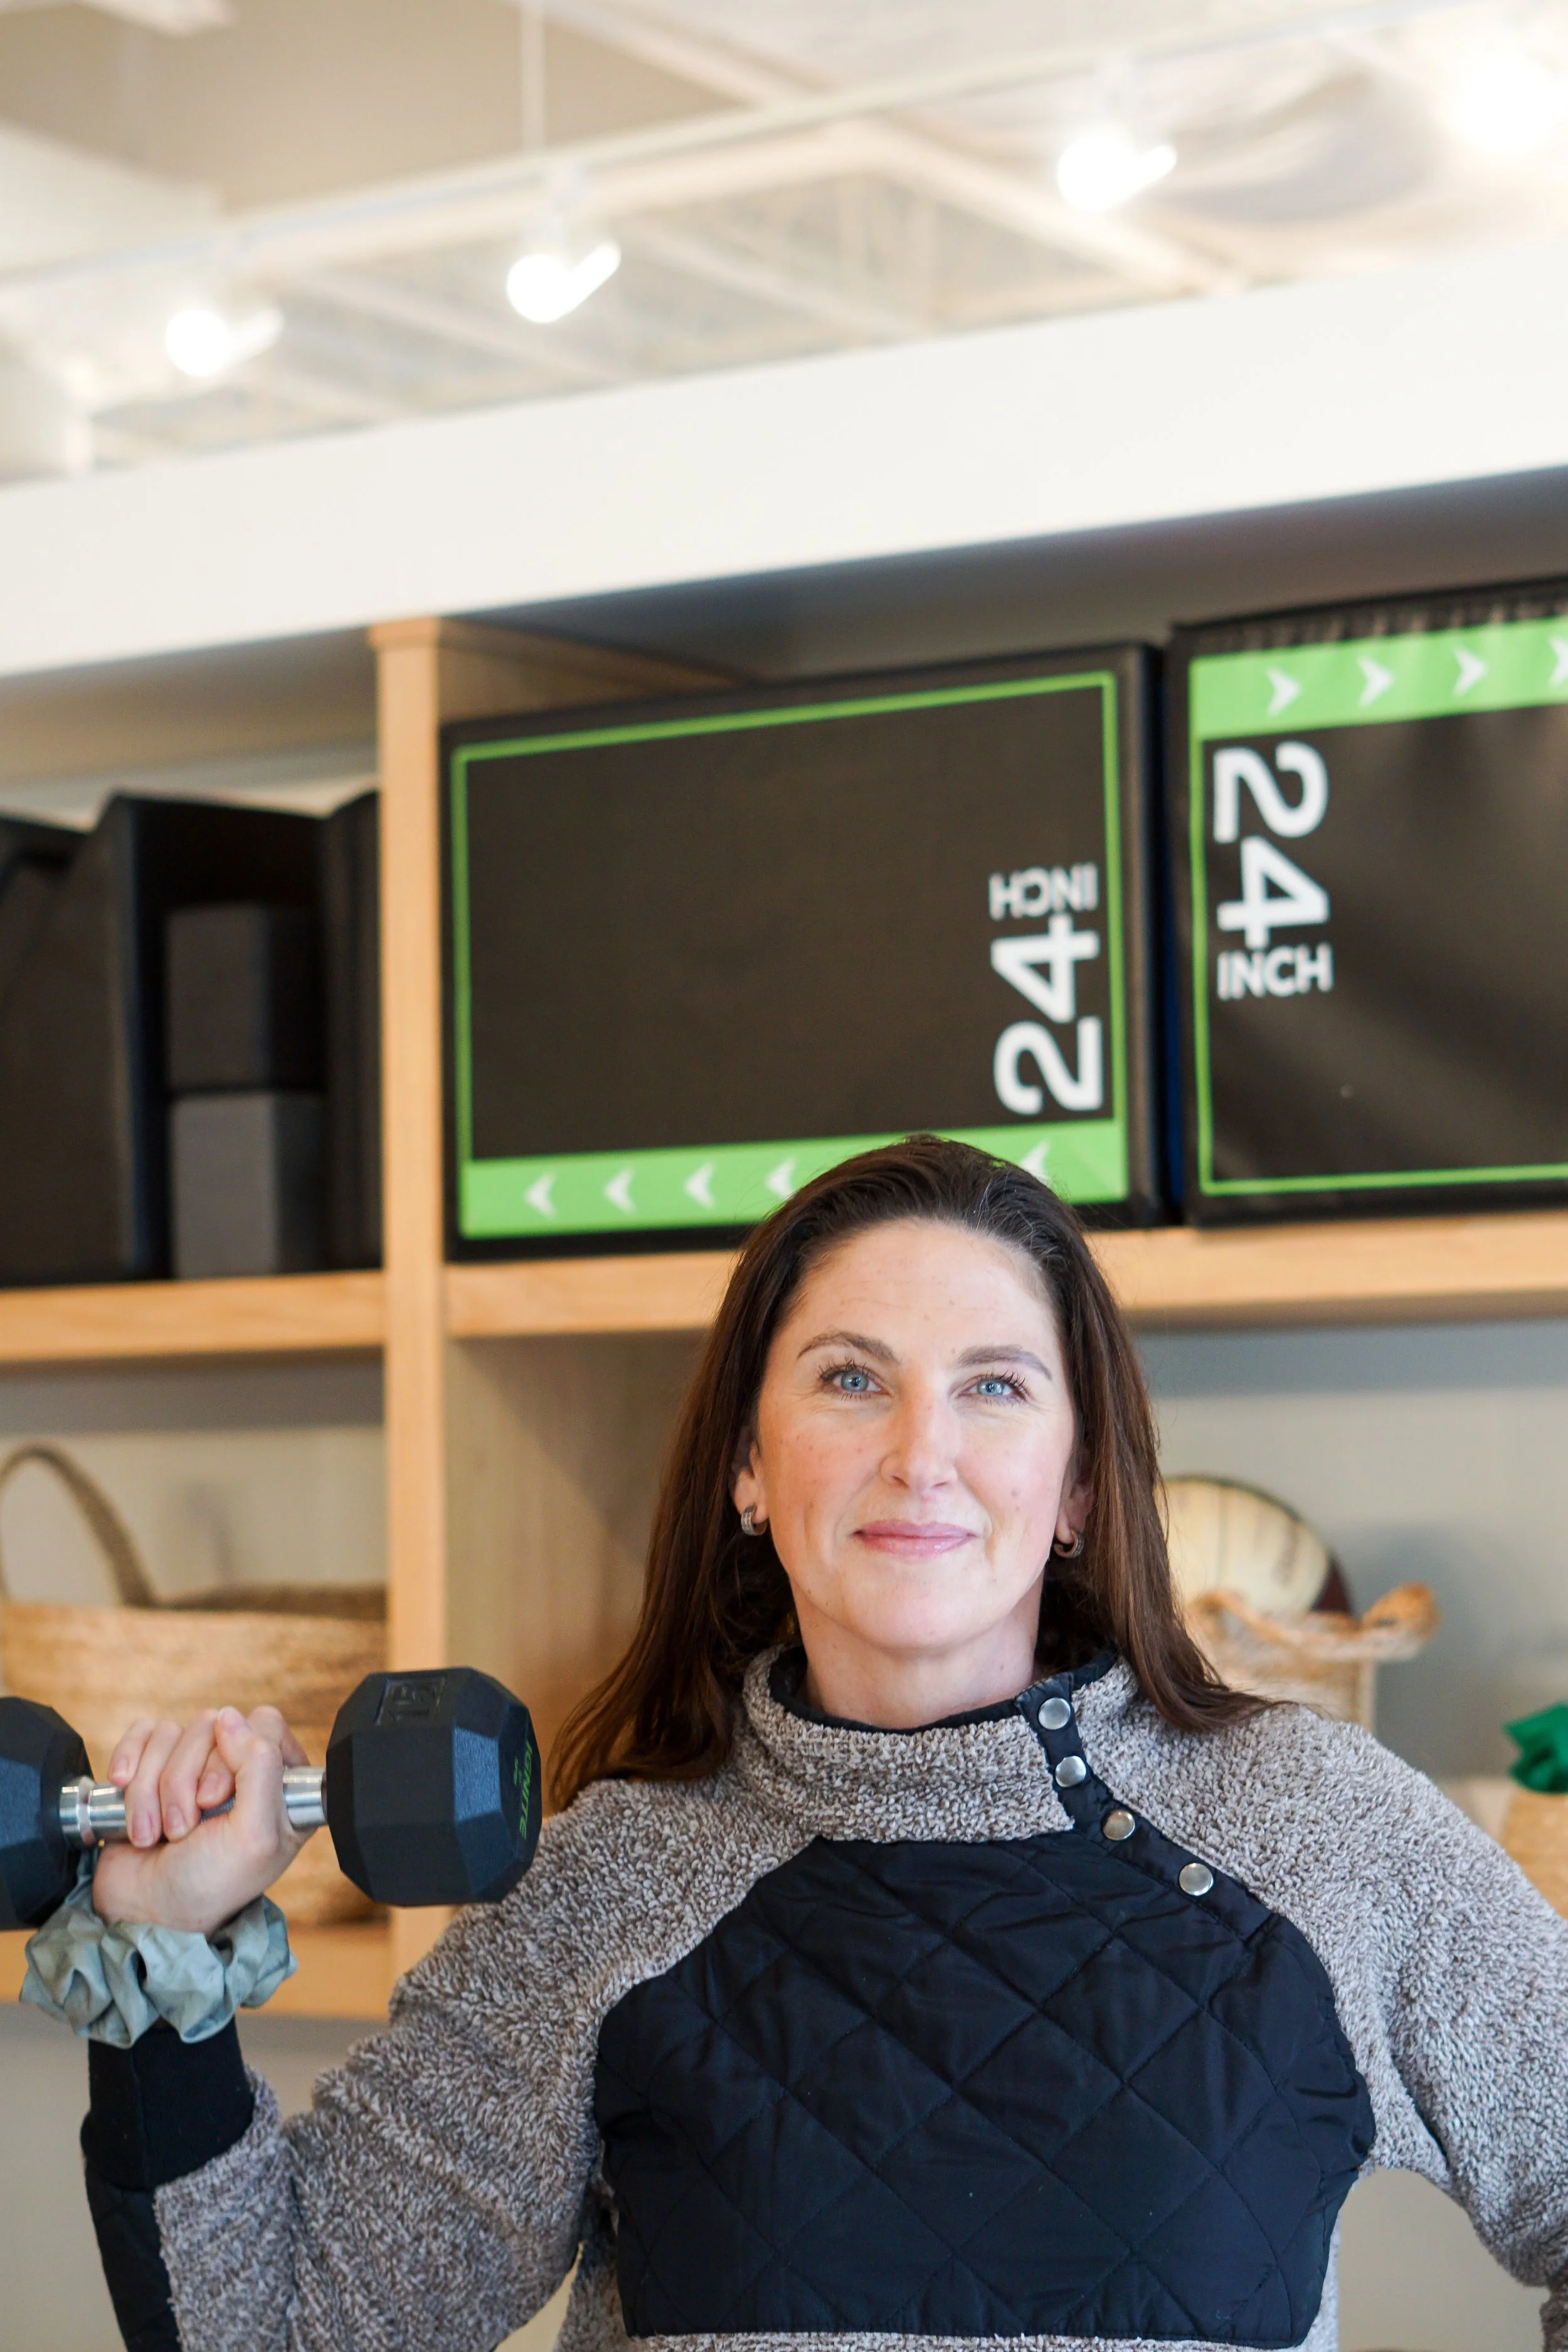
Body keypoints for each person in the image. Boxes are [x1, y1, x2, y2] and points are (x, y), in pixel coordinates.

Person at [29, 1134, 1568, 2352]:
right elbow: (290, 2327)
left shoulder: (1314, 1830)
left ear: (1082, 1486)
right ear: (750, 1471)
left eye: (992, 1387)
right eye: (850, 1379)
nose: (920, 1454)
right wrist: (163, 1966)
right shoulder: (617, 1882)